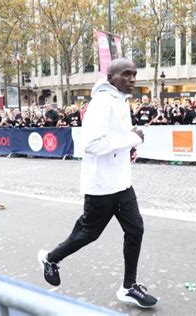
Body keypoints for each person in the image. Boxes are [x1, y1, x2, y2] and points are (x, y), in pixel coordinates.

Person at [37, 58, 158, 309]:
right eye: (126, 74)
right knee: (88, 233)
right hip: (101, 185)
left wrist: (129, 146)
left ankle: (128, 287)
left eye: (134, 74)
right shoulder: (102, 102)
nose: (132, 79)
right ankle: (50, 258)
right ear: (110, 77)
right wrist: (129, 139)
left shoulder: (120, 100)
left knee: (135, 230)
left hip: (122, 183)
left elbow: (115, 139)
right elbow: (91, 144)